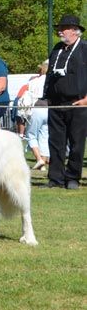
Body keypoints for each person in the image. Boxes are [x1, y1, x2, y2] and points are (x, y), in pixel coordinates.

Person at [44, 15, 87, 190]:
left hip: (77, 103)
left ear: (75, 30)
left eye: (64, 27)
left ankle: (73, 177)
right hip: (56, 103)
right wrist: (47, 95)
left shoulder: (84, 48)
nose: (60, 30)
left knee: (76, 142)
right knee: (55, 142)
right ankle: (55, 178)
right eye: (59, 27)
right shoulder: (57, 49)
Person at [22, 61, 50, 170]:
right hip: (49, 109)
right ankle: (43, 160)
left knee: (31, 135)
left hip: (37, 108)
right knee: (44, 135)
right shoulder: (52, 81)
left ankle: (39, 159)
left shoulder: (34, 81)